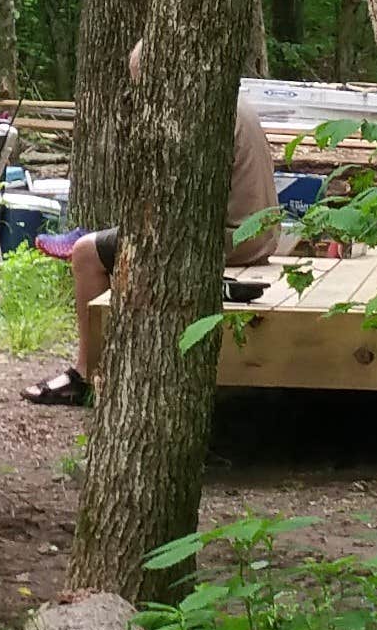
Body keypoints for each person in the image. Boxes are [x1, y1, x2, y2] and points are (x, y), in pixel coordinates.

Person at [24, 39, 279, 405]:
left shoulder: (193, 115)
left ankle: (85, 374)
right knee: (106, 243)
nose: (141, 93)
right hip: (259, 235)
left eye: (142, 82)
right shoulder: (227, 98)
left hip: (230, 241)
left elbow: (176, 209)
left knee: (84, 253)